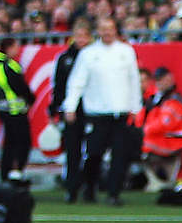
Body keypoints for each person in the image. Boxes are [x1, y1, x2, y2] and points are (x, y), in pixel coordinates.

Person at [62, 17, 141, 205]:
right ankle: (89, 186)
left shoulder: (126, 51)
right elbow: (77, 82)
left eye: (110, 29)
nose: (107, 32)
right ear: (98, 31)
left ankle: (114, 193)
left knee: (119, 155)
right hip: (97, 114)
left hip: (120, 113)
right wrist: (70, 106)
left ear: (115, 30)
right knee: (94, 154)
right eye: (103, 29)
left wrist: (136, 106)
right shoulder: (88, 54)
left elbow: (134, 80)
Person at [51, 17, 92, 198]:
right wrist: (56, 108)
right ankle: (72, 187)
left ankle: (90, 186)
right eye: (78, 35)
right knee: (72, 150)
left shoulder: (96, 58)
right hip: (72, 111)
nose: (81, 39)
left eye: (85, 36)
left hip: (93, 109)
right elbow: (59, 85)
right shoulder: (65, 58)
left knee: (93, 150)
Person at [0, 39, 35, 183]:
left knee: (9, 143)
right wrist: (30, 98)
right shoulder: (8, 66)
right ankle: (15, 174)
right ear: (8, 48)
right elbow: (18, 87)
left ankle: (6, 173)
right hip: (15, 110)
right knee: (21, 143)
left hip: (5, 110)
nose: (18, 50)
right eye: (16, 47)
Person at [140, 66, 182, 190]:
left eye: (163, 79)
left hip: (171, 142)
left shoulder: (174, 100)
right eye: (158, 80)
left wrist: (144, 130)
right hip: (155, 140)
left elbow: (165, 124)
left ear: (171, 79)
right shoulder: (153, 99)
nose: (160, 83)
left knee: (132, 143)